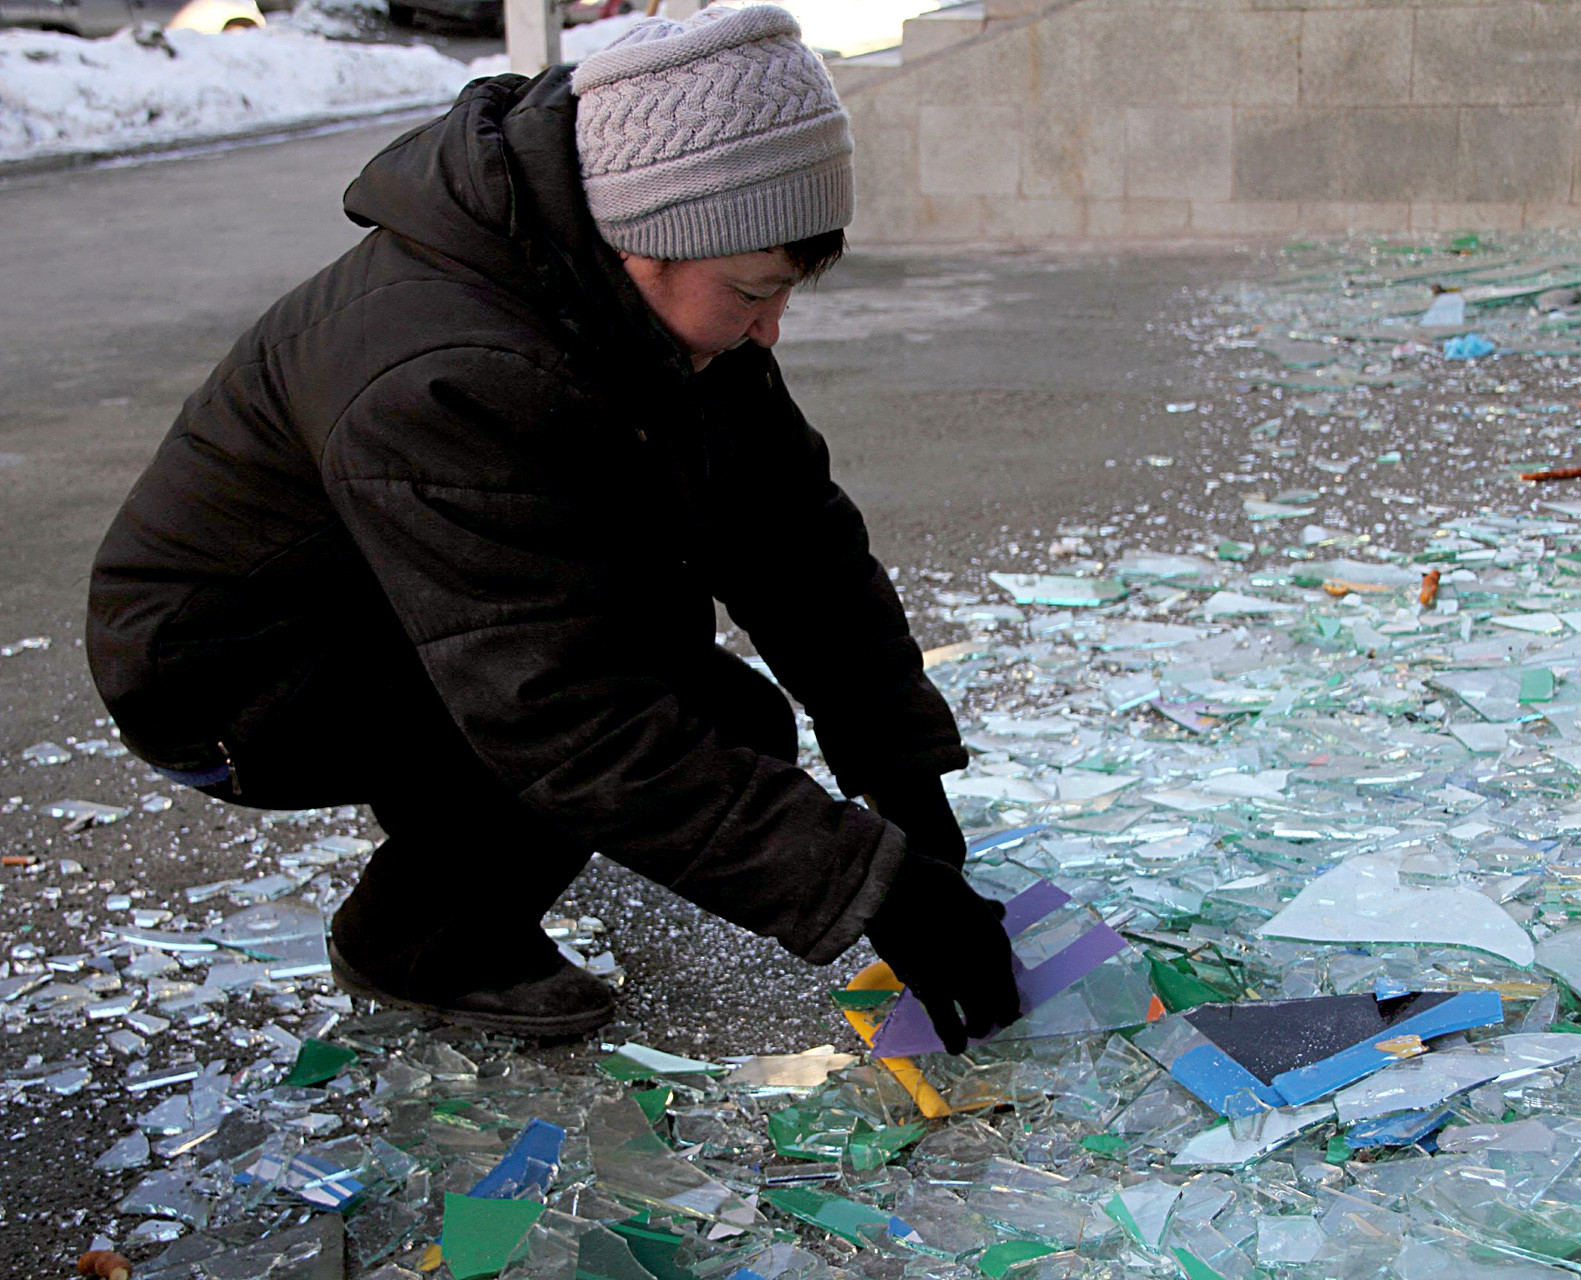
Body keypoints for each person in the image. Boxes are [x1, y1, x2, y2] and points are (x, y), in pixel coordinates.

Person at [84, 5, 1019, 1051]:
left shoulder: (657, 311)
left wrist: (900, 772)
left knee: (725, 721)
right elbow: (562, 714)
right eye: (753, 292)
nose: (769, 329)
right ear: (644, 240)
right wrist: (873, 888)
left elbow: (792, 538)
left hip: (399, 610)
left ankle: (467, 846)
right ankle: (421, 933)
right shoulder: (442, 370)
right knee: (622, 725)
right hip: (239, 674)